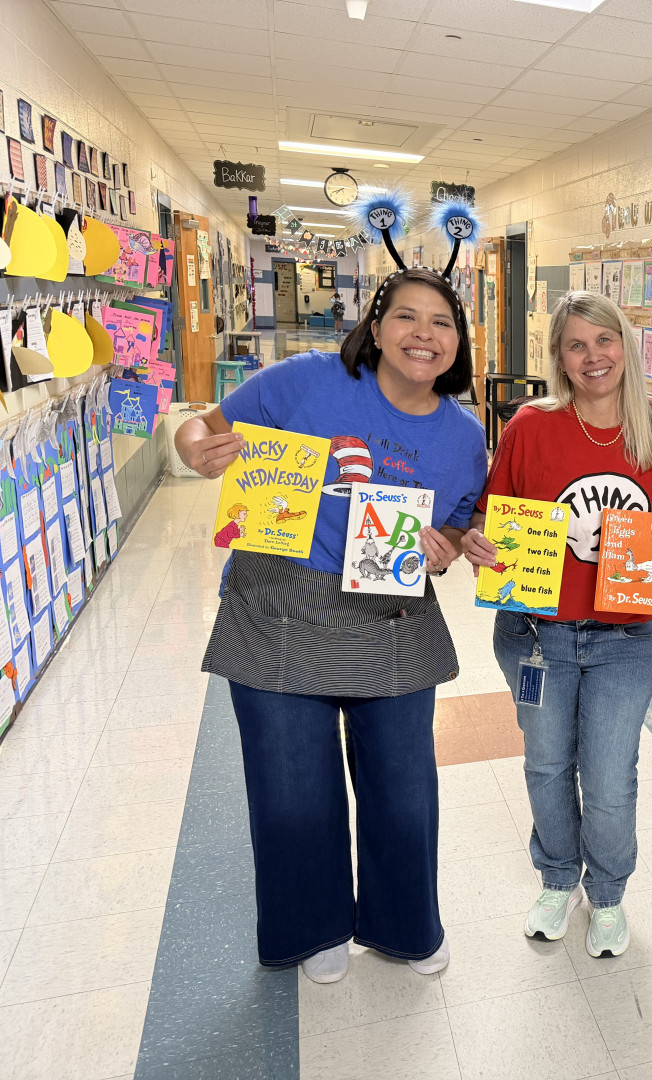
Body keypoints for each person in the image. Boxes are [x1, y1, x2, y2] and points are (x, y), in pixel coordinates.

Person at [174, 266, 487, 984]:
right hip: (276, 610)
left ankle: (405, 926)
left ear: (457, 343)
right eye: (406, 317)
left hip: (389, 618)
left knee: (403, 791)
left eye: (441, 323)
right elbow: (205, 426)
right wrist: (193, 449)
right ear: (375, 328)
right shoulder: (308, 381)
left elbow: (454, 528)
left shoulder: (464, 437)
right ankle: (312, 926)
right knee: (291, 791)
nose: (423, 335)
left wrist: (443, 550)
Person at [461, 291, 652, 959]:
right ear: (559, 358)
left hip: (626, 637)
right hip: (536, 634)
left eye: (604, 340)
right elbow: (489, 516)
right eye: (576, 345)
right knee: (545, 764)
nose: (593, 356)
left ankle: (610, 893)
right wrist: (479, 542)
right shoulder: (530, 427)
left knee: (611, 775)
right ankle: (559, 879)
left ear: (625, 345)